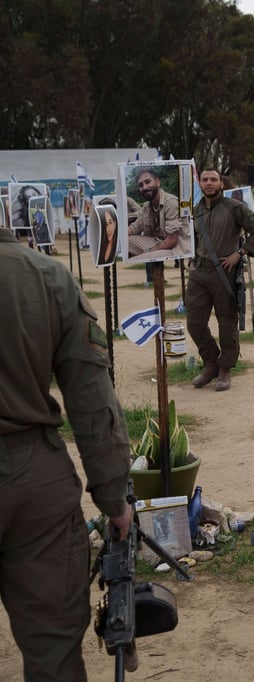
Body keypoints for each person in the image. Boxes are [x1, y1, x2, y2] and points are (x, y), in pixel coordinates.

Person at [0, 224, 134, 680]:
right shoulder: (46, 277)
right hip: (33, 481)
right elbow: (92, 399)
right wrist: (114, 499)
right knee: (54, 650)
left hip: (33, 479)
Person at [186, 169, 254, 392]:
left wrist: (240, 253)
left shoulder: (235, 207)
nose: (209, 183)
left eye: (213, 180)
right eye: (205, 180)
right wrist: (192, 260)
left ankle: (224, 370)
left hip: (225, 272)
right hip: (199, 273)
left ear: (221, 183)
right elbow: (194, 238)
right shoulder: (196, 210)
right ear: (200, 183)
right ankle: (211, 362)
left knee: (226, 323)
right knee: (194, 322)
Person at [126, 167, 192, 259]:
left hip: (174, 248)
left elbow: (172, 241)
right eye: (141, 185)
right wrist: (117, 233)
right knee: (125, 240)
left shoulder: (170, 202)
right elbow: (135, 227)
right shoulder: (146, 206)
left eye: (148, 182)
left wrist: (148, 251)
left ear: (157, 182)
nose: (145, 187)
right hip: (158, 242)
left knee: (137, 259)